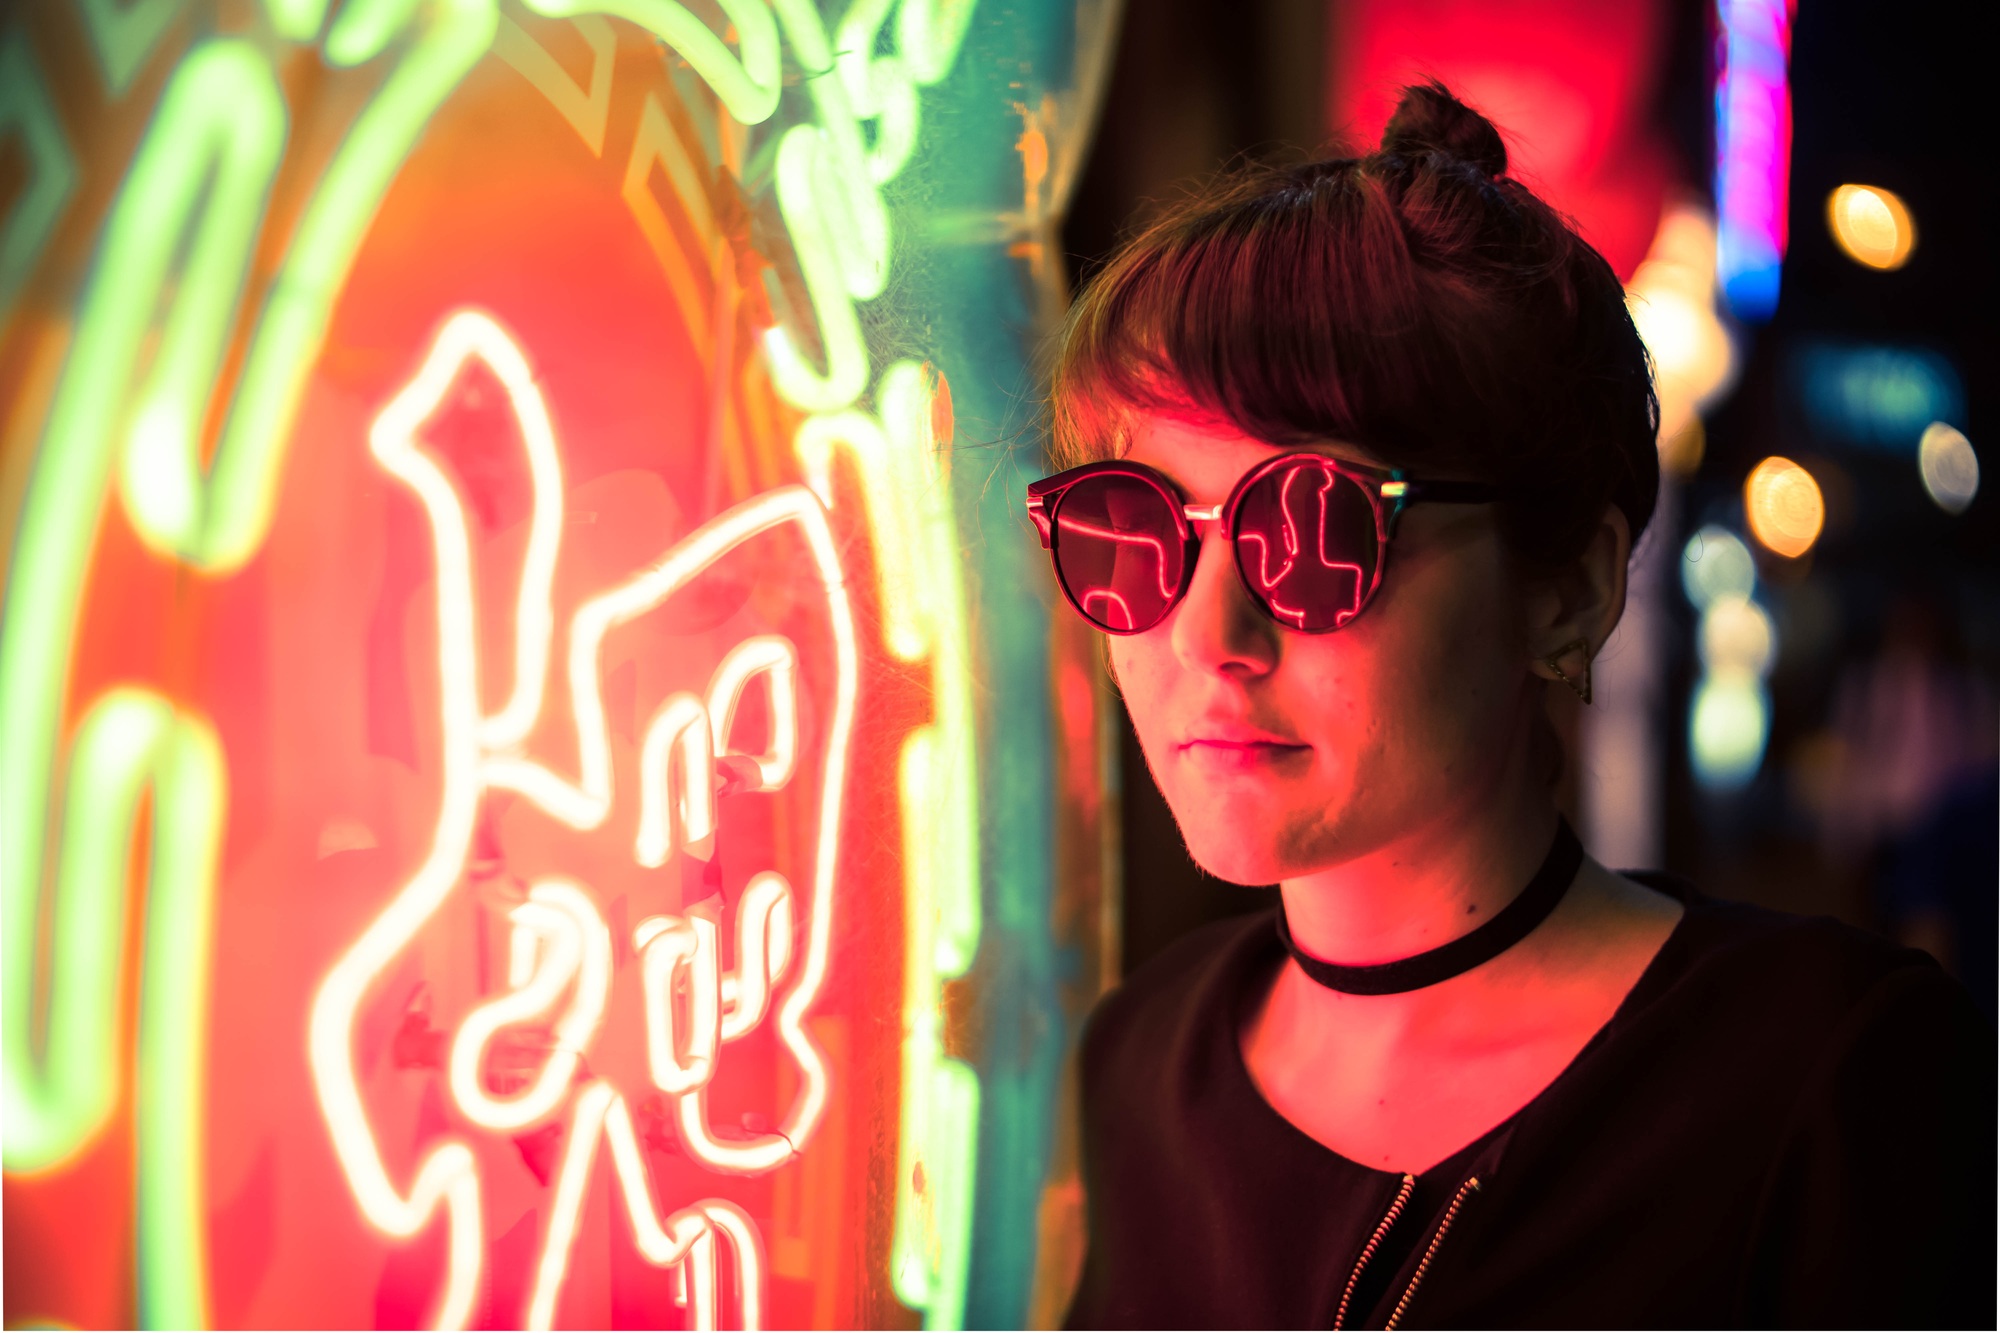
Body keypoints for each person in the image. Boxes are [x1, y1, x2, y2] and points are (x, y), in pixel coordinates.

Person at [1027, 83, 1994, 1329]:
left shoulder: (1820, 1072)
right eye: (1134, 529)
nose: (1205, 636)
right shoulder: (1139, 1065)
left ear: (1565, 590)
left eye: (1316, 526)